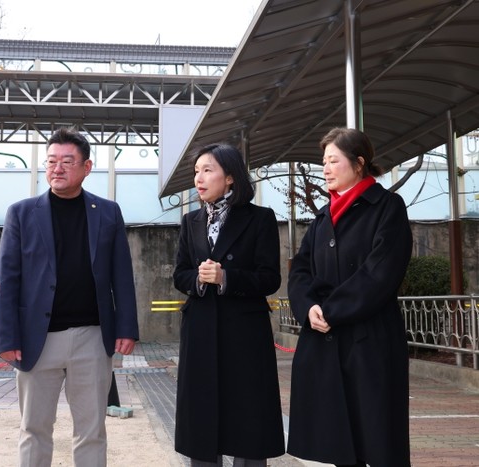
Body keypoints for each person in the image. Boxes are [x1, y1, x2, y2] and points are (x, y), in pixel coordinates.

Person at [0, 127, 140, 467]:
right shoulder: (21, 213)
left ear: (86, 167)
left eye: (67, 161)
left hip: (92, 337)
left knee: (91, 430)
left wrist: (126, 328)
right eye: (51, 161)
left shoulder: (108, 212)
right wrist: (6, 338)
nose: (57, 168)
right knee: (33, 428)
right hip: (36, 339)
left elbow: (121, 274)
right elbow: (8, 279)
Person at [287, 127, 413, 467]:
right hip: (327, 344)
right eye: (323, 162)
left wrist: (331, 310)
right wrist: (308, 308)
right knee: (340, 445)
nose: (325, 169)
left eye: (333, 161)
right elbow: (300, 270)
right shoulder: (322, 217)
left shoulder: (387, 207)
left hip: (370, 342)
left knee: (380, 441)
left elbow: (380, 272)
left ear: (358, 163)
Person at [173, 143, 285, 467]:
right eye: (196, 171)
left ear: (231, 177)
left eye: (208, 170)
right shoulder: (191, 221)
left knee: (248, 418)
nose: (199, 178)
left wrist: (226, 278)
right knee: (202, 420)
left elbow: (270, 278)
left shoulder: (260, 218)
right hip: (200, 331)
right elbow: (180, 274)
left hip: (245, 334)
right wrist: (198, 278)